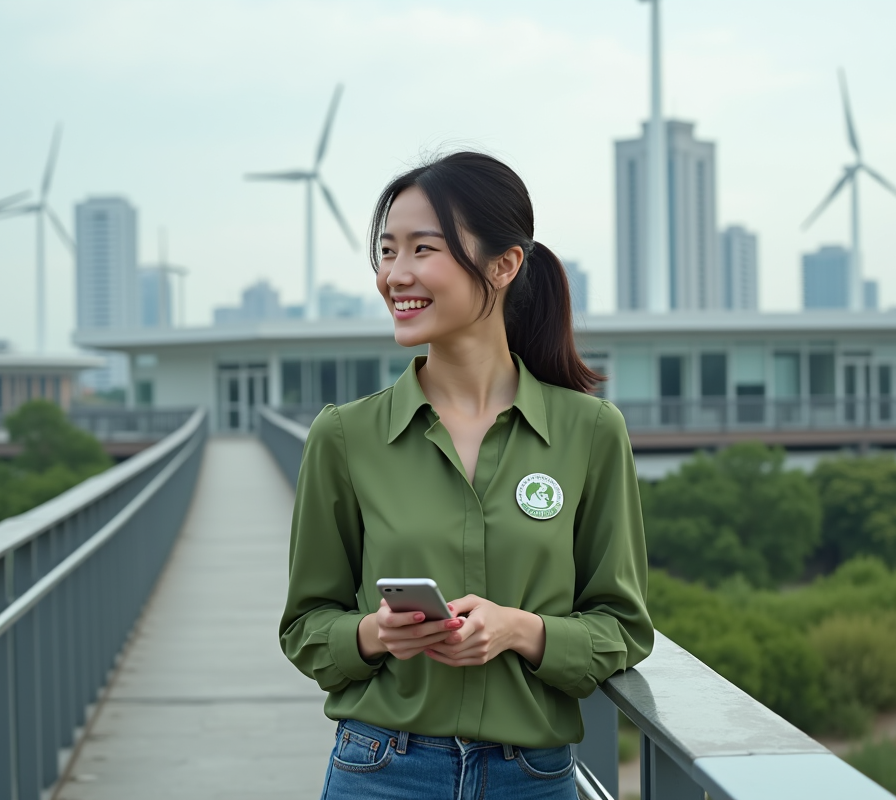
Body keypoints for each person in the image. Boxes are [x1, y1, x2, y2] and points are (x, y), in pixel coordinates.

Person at [279, 151, 655, 800]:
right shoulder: (344, 436)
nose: (396, 275)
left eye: (422, 249)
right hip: (380, 771)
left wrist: (521, 631)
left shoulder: (590, 433)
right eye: (386, 251)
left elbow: (622, 628)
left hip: (533, 778)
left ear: (505, 265)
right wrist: (376, 633)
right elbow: (305, 625)